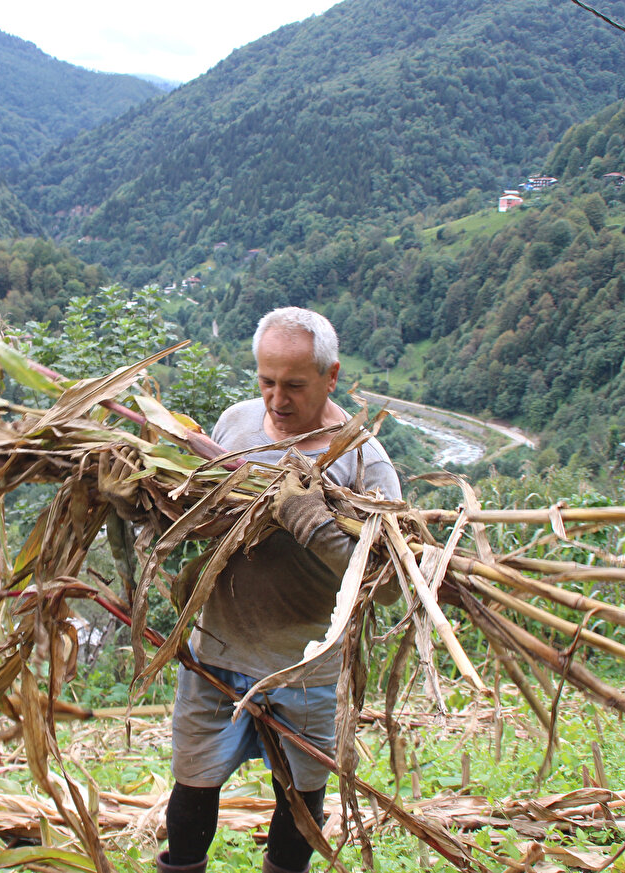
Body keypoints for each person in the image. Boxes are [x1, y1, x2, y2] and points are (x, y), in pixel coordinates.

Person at [158, 307, 402, 873]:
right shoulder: (235, 424)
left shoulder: (363, 461)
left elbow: (388, 586)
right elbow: (203, 516)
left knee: (299, 796)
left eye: (294, 385)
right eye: (266, 381)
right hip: (217, 652)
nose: (276, 400)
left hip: (305, 666)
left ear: (331, 376)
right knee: (193, 784)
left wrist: (313, 525)